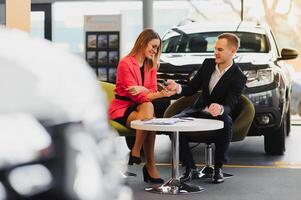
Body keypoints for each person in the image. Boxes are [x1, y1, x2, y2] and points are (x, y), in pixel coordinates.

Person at [167, 33, 247, 184]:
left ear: (232, 51)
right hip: (198, 110)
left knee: (227, 122)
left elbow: (231, 103)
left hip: (218, 114)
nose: (215, 52)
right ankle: (191, 168)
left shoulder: (238, 76)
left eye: (220, 49)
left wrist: (221, 108)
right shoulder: (207, 64)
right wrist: (177, 88)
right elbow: (191, 89)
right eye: (215, 49)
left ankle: (218, 168)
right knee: (173, 124)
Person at [109, 29, 175, 184]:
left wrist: (160, 94)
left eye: (157, 48)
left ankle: (136, 151)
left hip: (141, 105)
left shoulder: (151, 64)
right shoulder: (125, 63)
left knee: (148, 108)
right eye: (153, 46)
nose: (155, 50)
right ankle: (150, 166)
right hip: (123, 106)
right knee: (149, 118)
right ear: (142, 42)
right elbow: (135, 94)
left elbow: (150, 91)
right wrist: (149, 92)